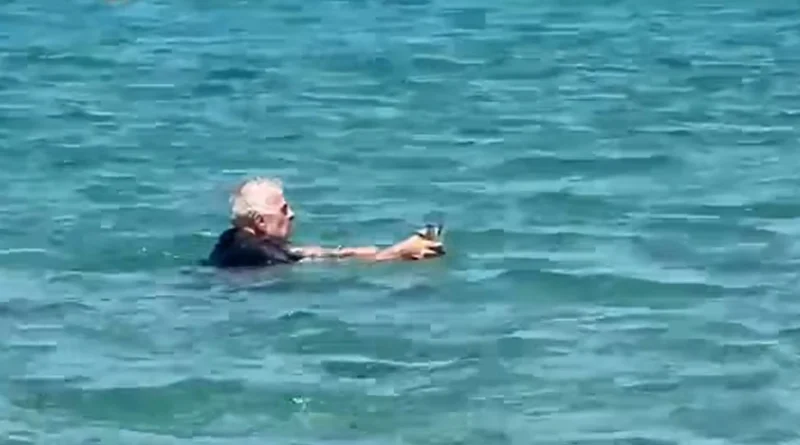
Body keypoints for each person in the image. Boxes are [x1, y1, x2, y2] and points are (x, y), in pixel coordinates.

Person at [205, 177, 445, 268]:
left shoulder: (234, 240)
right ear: (259, 221)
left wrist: (358, 252)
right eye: (283, 209)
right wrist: (395, 254)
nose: (292, 214)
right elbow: (304, 261)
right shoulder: (256, 251)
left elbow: (305, 254)